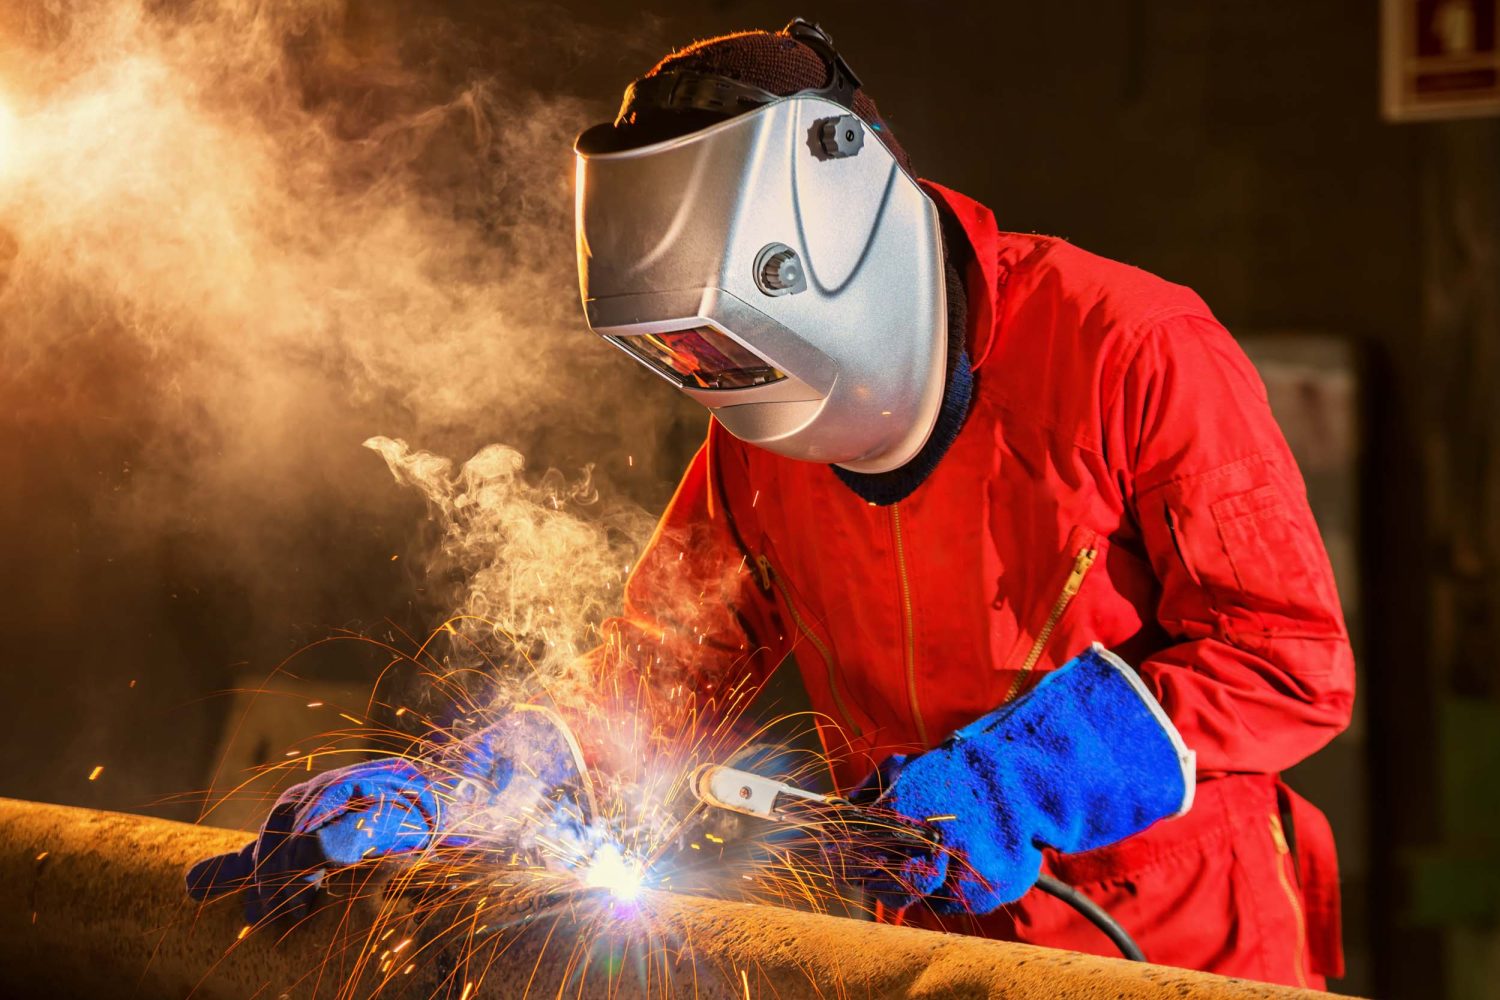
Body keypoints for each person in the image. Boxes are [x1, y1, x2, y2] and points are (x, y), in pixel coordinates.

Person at [192, 20, 1353, 989]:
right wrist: (475, 788)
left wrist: (1024, 777)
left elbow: (1288, 659)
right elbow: (658, 675)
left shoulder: (1133, 349)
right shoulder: (755, 445)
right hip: (921, 948)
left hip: (1181, 948)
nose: (729, 386)